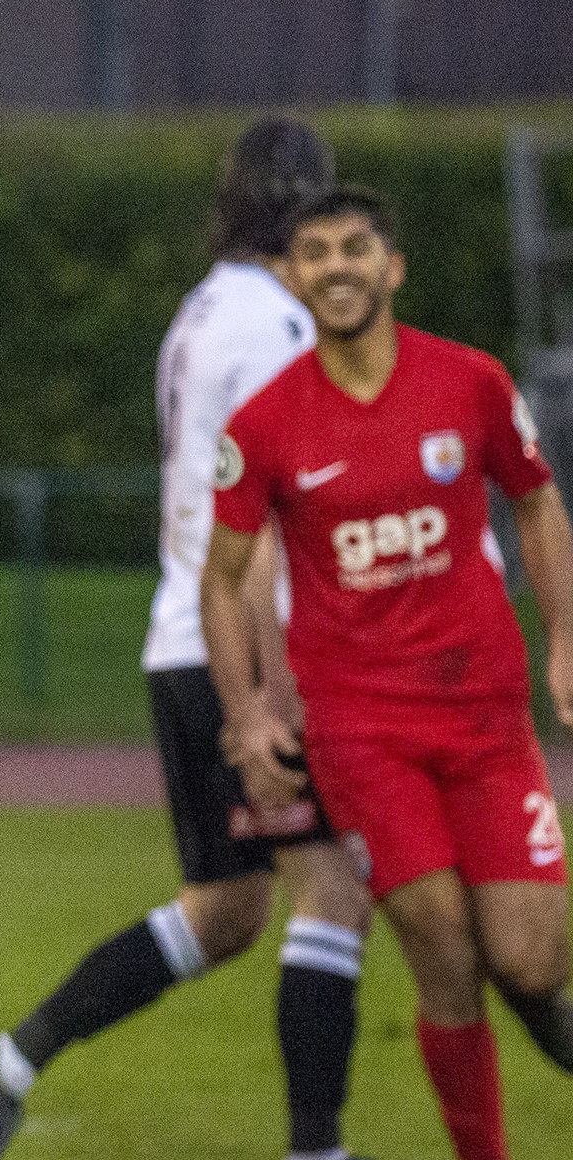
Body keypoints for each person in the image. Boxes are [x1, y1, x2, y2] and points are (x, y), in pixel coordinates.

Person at [0, 118, 377, 1160]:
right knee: (334, 887)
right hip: (244, 645)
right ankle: (318, 1148)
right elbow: (279, 504)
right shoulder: (278, 324)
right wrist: (273, 685)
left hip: (180, 634)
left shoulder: (197, 317)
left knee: (228, 907)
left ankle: (7, 1061)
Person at [205, 185, 573, 1160]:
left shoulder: (472, 384)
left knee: (531, 956)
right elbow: (224, 577)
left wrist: (565, 638)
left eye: (355, 247)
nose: (336, 266)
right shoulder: (266, 425)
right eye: (315, 252)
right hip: (361, 730)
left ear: (391, 266)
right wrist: (245, 711)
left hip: (487, 716)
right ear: (292, 276)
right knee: (444, 950)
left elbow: (537, 505)